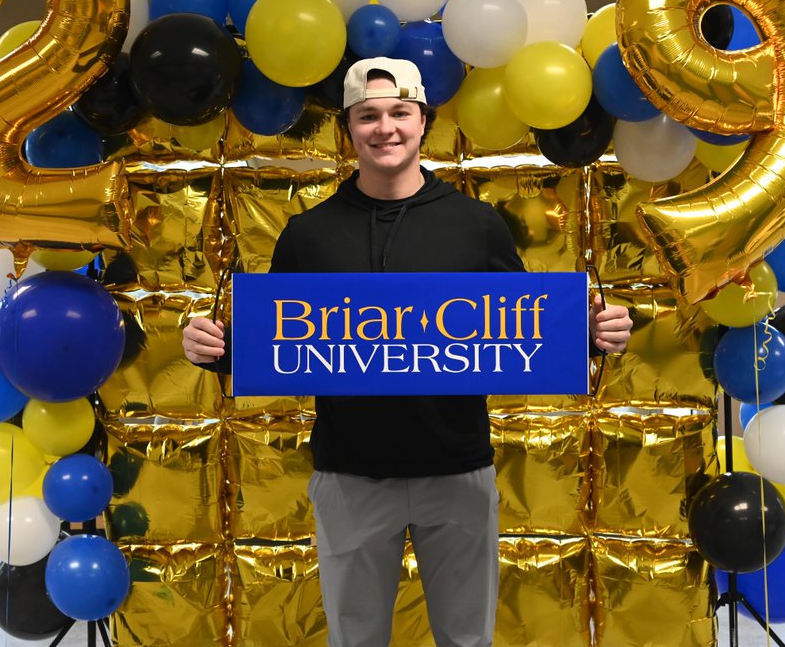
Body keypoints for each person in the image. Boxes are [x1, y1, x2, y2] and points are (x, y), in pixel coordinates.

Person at [183, 57, 632, 647]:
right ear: (349, 128)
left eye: (399, 112)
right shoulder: (309, 235)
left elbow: (526, 332)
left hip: (458, 470)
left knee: (466, 639)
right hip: (351, 474)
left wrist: (593, 334)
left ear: (423, 121)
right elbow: (278, 340)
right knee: (356, 639)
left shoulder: (477, 226)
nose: (385, 127)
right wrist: (214, 347)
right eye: (368, 115)